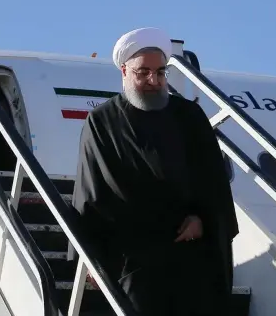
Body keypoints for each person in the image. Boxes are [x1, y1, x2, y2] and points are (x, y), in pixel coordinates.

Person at [68, 27, 239, 316]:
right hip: (136, 258)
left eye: (160, 73)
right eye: (143, 72)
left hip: (191, 251)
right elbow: (91, 192)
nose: (153, 81)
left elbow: (214, 181)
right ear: (124, 71)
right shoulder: (102, 122)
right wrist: (90, 256)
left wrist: (203, 219)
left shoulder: (190, 117)